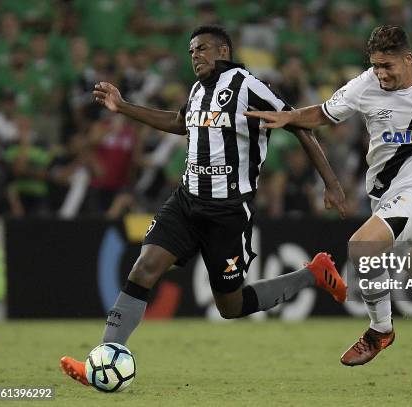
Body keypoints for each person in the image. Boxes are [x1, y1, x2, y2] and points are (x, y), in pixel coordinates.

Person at [60, 25, 347, 386]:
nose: (194, 55)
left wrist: (332, 184)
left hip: (227, 212)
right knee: (144, 267)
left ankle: (313, 273)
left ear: (223, 51)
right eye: (191, 51)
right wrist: (122, 107)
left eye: (202, 48)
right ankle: (102, 359)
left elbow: (300, 126)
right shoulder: (198, 90)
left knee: (231, 306)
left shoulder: (247, 85)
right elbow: (178, 122)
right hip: (187, 201)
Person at [246, 25, 412, 367]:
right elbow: (323, 113)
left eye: (388, 66)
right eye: (376, 65)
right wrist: (290, 117)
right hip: (387, 194)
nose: (381, 73)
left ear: (408, 59)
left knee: (362, 245)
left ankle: (380, 330)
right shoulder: (363, 86)